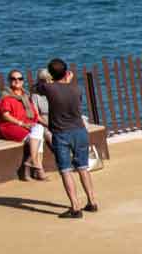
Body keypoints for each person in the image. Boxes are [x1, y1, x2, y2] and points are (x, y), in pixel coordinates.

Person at [33, 58, 98, 217]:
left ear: (50, 74)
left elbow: (36, 87)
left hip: (61, 133)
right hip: (80, 131)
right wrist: (68, 82)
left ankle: (75, 207)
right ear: (66, 72)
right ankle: (92, 201)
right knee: (83, 168)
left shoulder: (49, 88)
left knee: (66, 170)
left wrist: (47, 80)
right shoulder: (77, 88)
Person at [0, 69, 47, 180]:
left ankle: (30, 165)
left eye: (20, 78)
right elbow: (5, 116)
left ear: (23, 81)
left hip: (25, 126)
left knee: (39, 131)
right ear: (9, 81)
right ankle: (38, 166)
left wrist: (45, 123)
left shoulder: (26, 95)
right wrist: (21, 123)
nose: (17, 81)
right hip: (10, 126)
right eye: (13, 79)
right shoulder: (6, 96)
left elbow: (35, 114)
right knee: (37, 136)